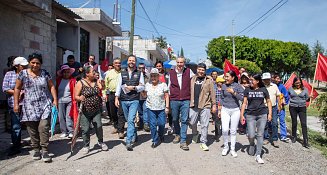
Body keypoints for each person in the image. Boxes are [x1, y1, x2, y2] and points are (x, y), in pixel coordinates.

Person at [13, 53, 57, 162]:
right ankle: (36, 149)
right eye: (33, 62)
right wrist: (16, 104)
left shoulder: (45, 73)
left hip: (44, 104)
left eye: (37, 63)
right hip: (29, 106)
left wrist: (55, 100)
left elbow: (51, 86)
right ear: (29, 63)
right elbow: (17, 89)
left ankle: (45, 150)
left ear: (41, 64)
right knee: (32, 129)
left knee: (44, 127)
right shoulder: (23, 74)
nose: (35, 65)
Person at [74, 66, 109, 154]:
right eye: (93, 72)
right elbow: (75, 96)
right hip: (85, 111)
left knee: (99, 126)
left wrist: (103, 83)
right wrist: (80, 98)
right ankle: (86, 145)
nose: (95, 73)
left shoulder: (96, 81)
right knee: (85, 129)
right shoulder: (80, 83)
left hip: (96, 110)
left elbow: (102, 88)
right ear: (87, 74)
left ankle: (100, 142)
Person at [115, 55, 144, 151]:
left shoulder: (139, 73)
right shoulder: (121, 73)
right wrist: (116, 98)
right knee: (129, 120)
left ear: (135, 62)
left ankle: (129, 141)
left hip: (134, 99)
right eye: (129, 60)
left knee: (131, 120)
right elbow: (119, 86)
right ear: (127, 62)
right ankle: (134, 134)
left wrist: (134, 88)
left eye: (133, 60)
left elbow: (142, 87)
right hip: (123, 100)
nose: (131, 62)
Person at [240, 74, 272, 164]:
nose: (250, 82)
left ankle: (258, 155)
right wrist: (241, 115)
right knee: (251, 134)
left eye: (252, 80)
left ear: (257, 81)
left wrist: (270, 114)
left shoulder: (263, 89)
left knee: (260, 134)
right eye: (250, 80)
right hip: (250, 115)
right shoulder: (247, 90)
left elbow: (269, 101)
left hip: (262, 114)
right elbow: (244, 103)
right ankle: (251, 144)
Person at [2, 56, 28, 156]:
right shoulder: (9, 74)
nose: (25, 67)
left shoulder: (27, 74)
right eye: (23, 65)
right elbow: (5, 88)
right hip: (14, 103)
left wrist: (24, 92)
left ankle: (37, 145)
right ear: (17, 66)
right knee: (16, 126)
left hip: (27, 103)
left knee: (30, 124)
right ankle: (16, 146)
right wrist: (16, 92)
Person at [168, 56, 194, 151]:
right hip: (174, 99)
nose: (179, 64)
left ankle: (183, 140)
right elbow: (169, 86)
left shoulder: (189, 71)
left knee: (184, 120)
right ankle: (177, 134)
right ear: (176, 63)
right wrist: (169, 100)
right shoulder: (171, 72)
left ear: (184, 63)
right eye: (178, 62)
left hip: (185, 99)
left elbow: (194, 81)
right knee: (175, 119)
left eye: (181, 62)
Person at [189, 63, 216, 151]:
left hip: (205, 105)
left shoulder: (209, 80)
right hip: (193, 104)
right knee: (192, 122)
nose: (201, 71)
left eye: (203, 70)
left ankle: (203, 142)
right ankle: (195, 133)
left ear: (205, 71)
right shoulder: (192, 79)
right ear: (197, 69)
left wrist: (214, 104)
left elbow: (212, 93)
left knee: (205, 125)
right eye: (199, 69)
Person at [142, 68, 169, 148]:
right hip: (150, 108)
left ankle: (161, 135)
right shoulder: (147, 85)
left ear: (158, 76)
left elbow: (166, 96)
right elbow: (144, 96)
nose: (153, 78)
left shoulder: (163, 84)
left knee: (162, 123)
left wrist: (167, 107)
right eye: (152, 76)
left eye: (155, 76)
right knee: (152, 125)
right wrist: (140, 90)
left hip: (161, 108)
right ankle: (154, 140)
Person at [220, 70, 244, 157]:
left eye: (227, 76)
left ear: (233, 77)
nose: (225, 78)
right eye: (225, 76)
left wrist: (233, 92)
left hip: (235, 110)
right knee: (225, 129)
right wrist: (220, 109)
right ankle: (226, 147)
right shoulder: (223, 86)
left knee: (233, 131)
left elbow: (242, 98)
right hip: (225, 109)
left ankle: (233, 149)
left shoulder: (238, 86)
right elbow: (221, 98)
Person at [103, 59, 125, 138]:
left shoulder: (124, 72)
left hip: (121, 95)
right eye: (116, 63)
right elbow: (105, 84)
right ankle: (116, 126)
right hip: (111, 94)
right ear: (113, 64)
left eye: (119, 63)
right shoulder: (109, 73)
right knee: (113, 113)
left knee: (121, 113)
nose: (118, 64)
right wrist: (104, 94)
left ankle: (121, 130)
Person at [288, 76, 310, 148]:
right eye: (296, 83)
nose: (298, 84)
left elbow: (307, 99)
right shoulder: (290, 89)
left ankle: (305, 140)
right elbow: (287, 96)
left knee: (303, 124)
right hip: (293, 107)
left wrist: (310, 97)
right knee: (294, 122)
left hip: (302, 108)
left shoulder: (305, 89)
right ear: (294, 83)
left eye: (299, 83)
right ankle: (294, 136)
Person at [56, 65, 77, 138]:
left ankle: (70, 131)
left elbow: (75, 91)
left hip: (70, 101)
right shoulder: (58, 80)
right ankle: (64, 131)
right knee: (61, 117)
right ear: (62, 73)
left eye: (68, 72)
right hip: (60, 101)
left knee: (69, 116)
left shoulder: (73, 80)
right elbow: (55, 90)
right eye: (64, 72)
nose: (66, 74)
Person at [262, 72, 281, 147]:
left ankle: (275, 139)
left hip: (273, 107)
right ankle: (265, 138)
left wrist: (279, 105)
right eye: (265, 79)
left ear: (270, 79)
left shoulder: (274, 86)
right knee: (265, 123)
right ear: (263, 80)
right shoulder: (261, 87)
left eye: (268, 79)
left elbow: (278, 96)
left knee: (275, 123)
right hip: (263, 107)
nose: (266, 81)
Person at [273, 74, 290, 141]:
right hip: (273, 107)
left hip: (281, 107)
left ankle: (283, 135)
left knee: (282, 121)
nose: (277, 80)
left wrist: (285, 102)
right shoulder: (272, 86)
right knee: (273, 121)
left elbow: (286, 96)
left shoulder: (282, 87)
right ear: (273, 79)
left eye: (279, 78)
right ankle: (273, 134)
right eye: (276, 78)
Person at [137, 63, 150, 131]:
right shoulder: (135, 76)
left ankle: (146, 124)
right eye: (140, 68)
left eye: (143, 68)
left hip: (145, 96)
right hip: (137, 96)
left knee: (145, 110)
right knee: (140, 111)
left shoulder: (147, 77)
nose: (141, 69)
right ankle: (141, 123)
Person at [214, 76, 225, 142]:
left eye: (222, 82)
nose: (221, 83)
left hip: (224, 106)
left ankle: (223, 132)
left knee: (222, 121)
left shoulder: (225, 89)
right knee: (217, 121)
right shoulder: (214, 89)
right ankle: (217, 135)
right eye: (220, 82)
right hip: (216, 106)